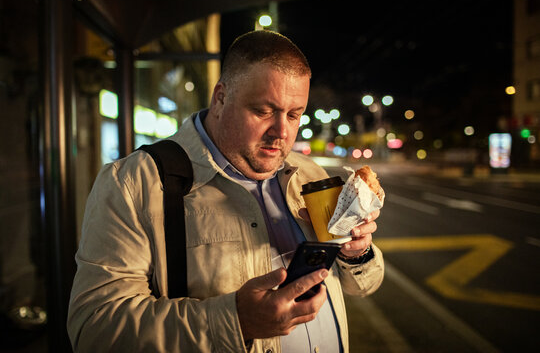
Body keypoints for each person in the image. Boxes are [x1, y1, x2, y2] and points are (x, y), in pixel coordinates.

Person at [67, 30, 384, 353]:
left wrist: (356, 253)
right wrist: (236, 322)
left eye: (294, 114)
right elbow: (94, 329)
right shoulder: (134, 183)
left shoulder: (309, 174)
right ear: (220, 98)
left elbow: (363, 284)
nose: (282, 132)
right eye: (263, 111)